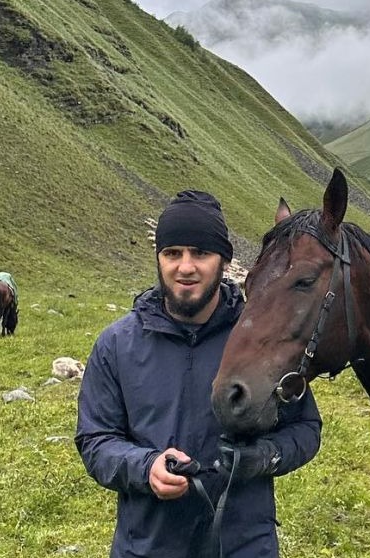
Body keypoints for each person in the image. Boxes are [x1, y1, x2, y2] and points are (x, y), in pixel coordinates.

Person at [76, 190, 322, 558]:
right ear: (158, 259)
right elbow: (95, 439)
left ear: (223, 259)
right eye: (172, 253)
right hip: (146, 548)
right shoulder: (116, 345)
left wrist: (264, 457)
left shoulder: (260, 341)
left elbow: (305, 429)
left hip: (245, 547)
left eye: (200, 253)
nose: (185, 267)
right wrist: (146, 468)